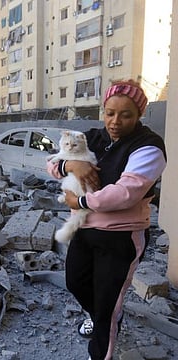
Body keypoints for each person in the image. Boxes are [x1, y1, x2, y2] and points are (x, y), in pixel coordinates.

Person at [47, 79, 167, 360]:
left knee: (107, 304)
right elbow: (52, 163)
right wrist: (70, 164)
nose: (115, 122)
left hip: (121, 237)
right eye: (110, 113)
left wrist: (81, 202)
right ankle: (103, 315)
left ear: (139, 114)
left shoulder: (149, 146)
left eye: (125, 115)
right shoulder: (94, 137)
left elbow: (126, 193)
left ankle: (102, 348)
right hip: (85, 230)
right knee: (76, 282)